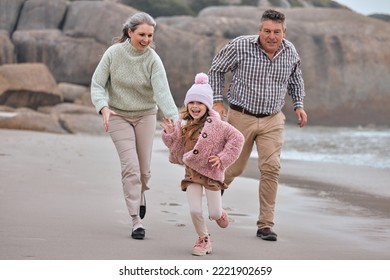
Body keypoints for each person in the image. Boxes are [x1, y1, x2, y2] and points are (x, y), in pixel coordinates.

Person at [208, 9, 308, 242]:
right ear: (259, 30)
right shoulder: (241, 46)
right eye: (267, 31)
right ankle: (214, 196)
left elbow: (295, 79)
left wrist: (299, 105)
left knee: (271, 168)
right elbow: (217, 69)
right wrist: (217, 101)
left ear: (284, 32)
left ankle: (265, 225)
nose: (271, 36)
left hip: (273, 119)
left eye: (276, 32)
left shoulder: (290, 51)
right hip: (241, 116)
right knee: (234, 168)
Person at [91, 12, 179, 240]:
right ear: (129, 32)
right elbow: (97, 84)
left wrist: (175, 120)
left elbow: (163, 92)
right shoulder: (114, 54)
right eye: (141, 34)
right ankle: (135, 220)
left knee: (144, 171)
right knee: (131, 168)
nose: (146, 39)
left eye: (150, 35)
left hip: (145, 116)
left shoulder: (153, 59)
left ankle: (140, 194)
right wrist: (103, 107)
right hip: (118, 115)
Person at [161, 73, 244, 256]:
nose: (195, 107)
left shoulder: (218, 124)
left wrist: (222, 159)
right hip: (192, 173)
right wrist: (169, 135)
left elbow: (238, 138)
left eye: (200, 103)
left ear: (207, 105)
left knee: (213, 214)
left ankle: (220, 212)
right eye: (191, 102)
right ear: (187, 104)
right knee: (195, 209)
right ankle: (203, 238)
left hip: (212, 173)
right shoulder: (182, 123)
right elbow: (178, 150)